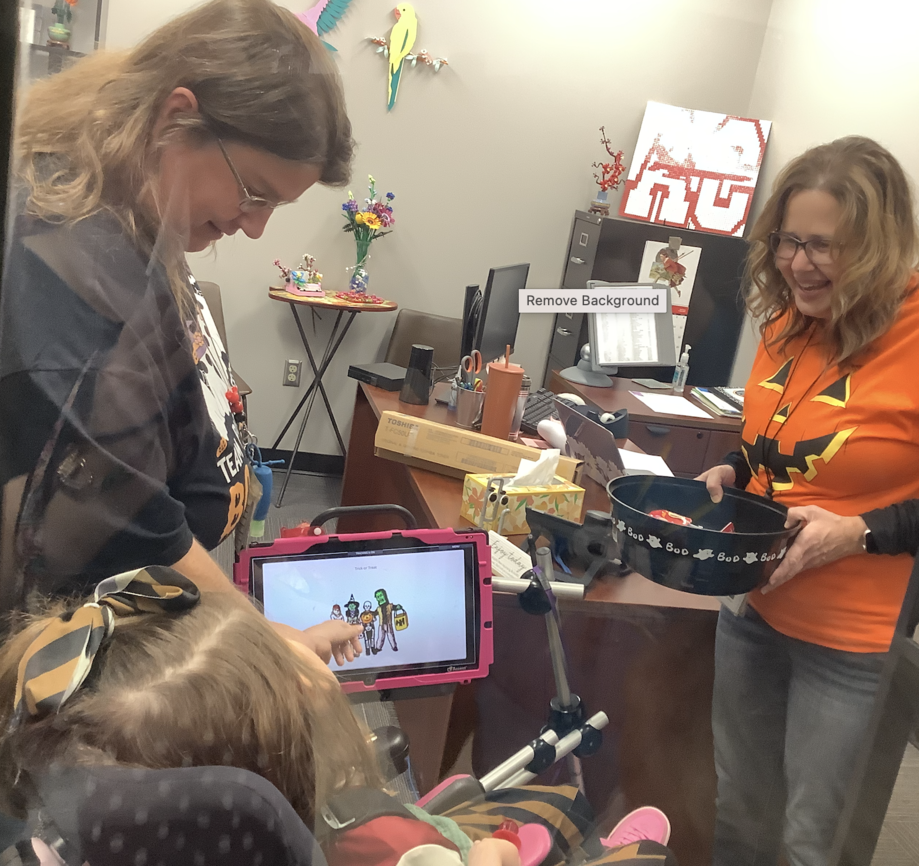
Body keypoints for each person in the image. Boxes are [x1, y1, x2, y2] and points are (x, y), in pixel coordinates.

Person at [697, 136, 919, 866]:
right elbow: (782, 442)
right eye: (786, 241)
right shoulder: (792, 316)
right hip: (754, 612)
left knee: (816, 844)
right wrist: (731, 470)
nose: (798, 264)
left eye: (825, 246)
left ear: (881, 244)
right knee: (740, 817)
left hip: (863, 647)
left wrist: (863, 532)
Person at [0, 0, 359, 664]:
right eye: (255, 193)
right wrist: (269, 649)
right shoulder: (70, 285)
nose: (255, 227)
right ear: (176, 118)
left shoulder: (134, 205)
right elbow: (126, 521)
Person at [0, 569, 677, 866]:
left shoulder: (67, 828)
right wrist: (492, 853)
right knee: (559, 808)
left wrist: (275, 653)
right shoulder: (374, 846)